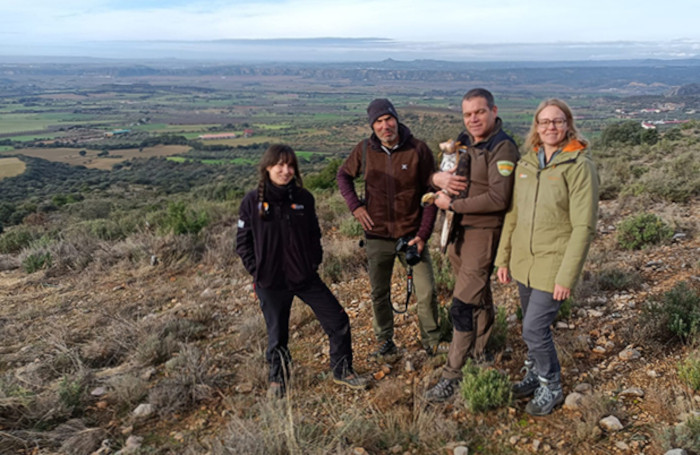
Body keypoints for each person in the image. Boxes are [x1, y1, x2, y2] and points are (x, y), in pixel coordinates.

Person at [236, 144, 367, 399]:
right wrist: (258, 271)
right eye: (280, 165)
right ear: (267, 167)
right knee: (278, 333)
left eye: (290, 166)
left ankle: (342, 371)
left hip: (304, 276)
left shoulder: (304, 198)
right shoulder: (252, 201)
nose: (285, 171)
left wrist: (312, 263)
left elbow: (314, 234)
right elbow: (243, 243)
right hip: (270, 281)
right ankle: (278, 379)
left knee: (338, 320)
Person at [495, 99, 599, 416]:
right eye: (544, 122)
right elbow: (512, 216)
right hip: (525, 263)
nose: (550, 127)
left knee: (533, 329)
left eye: (557, 121)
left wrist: (566, 277)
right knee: (532, 326)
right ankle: (534, 374)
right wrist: (503, 258)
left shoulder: (580, 166)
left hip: (554, 263)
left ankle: (551, 385)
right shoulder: (527, 164)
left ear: (568, 124)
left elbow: (584, 227)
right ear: (536, 127)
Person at [425, 88, 520, 402]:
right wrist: (439, 179)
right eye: (468, 114)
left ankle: (452, 375)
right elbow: (446, 172)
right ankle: (480, 351)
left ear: (493, 110)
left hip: (483, 232)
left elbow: (498, 198)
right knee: (477, 295)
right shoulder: (463, 142)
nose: (473, 119)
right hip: (457, 232)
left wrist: (452, 207)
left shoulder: (502, 147)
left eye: (479, 112)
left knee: (462, 305)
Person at [337, 98, 441, 357]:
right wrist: (356, 206)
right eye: (379, 122)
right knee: (379, 293)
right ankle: (385, 341)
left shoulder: (418, 149)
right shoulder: (364, 150)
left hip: (412, 236)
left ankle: (433, 342)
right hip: (377, 236)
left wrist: (423, 234)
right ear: (373, 126)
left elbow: (432, 193)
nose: (385, 126)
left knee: (426, 291)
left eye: (389, 119)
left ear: (397, 119)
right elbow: (343, 175)